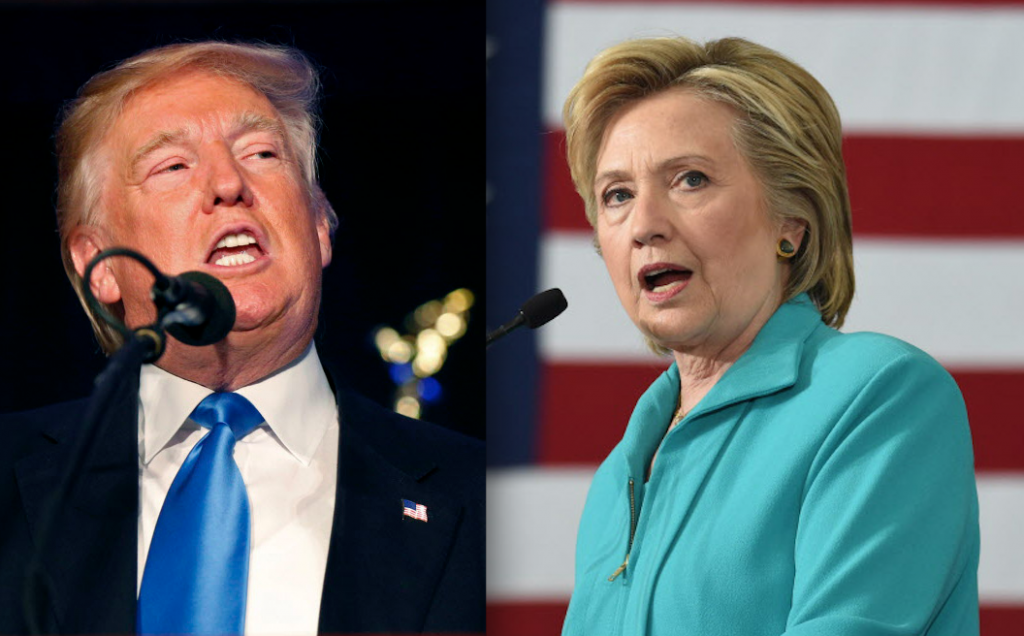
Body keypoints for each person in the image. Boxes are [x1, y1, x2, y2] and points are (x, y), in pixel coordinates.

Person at [0, 41, 483, 635]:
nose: (229, 183)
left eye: (260, 152)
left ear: (319, 224)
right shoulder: (14, 481)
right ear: (99, 263)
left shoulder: (482, 498)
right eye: (173, 166)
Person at [558, 36, 978, 635]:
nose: (644, 225)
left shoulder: (880, 396)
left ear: (791, 224)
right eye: (617, 195)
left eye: (690, 180)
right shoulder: (618, 474)